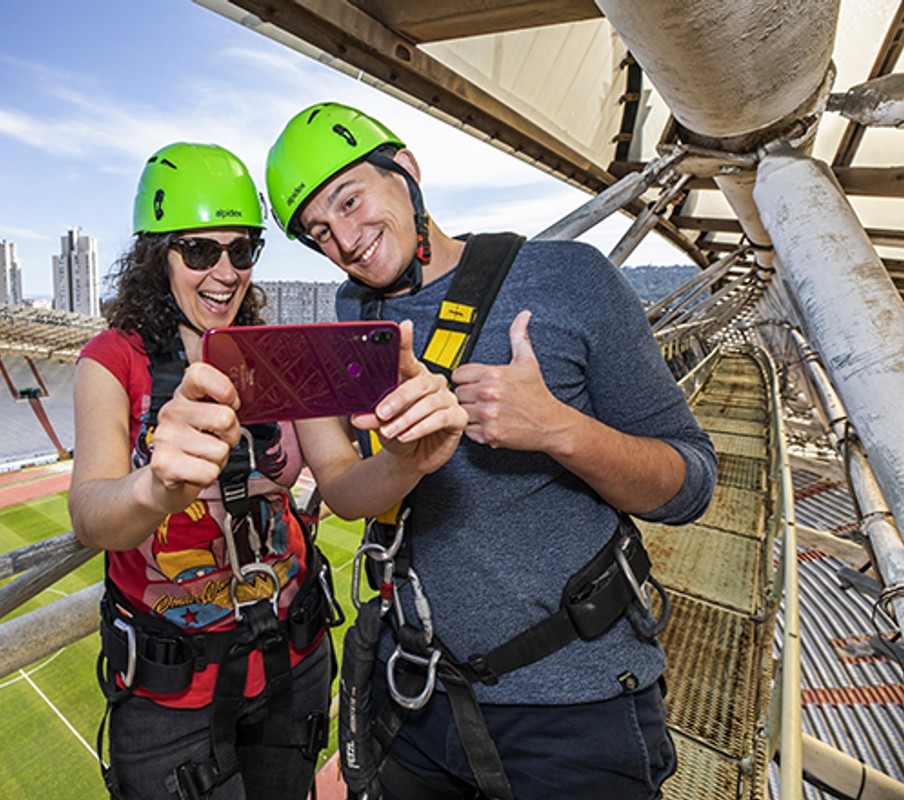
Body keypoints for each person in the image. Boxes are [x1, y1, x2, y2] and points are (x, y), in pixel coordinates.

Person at [264, 102, 718, 800]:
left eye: (350, 201)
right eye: (320, 232)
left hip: (574, 710)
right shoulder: (345, 322)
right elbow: (349, 493)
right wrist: (408, 461)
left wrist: (558, 428)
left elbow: (691, 484)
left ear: (406, 173)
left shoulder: (568, 280)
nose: (346, 240)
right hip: (414, 697)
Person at [68, 141, 467, 800]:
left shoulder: (281, 350)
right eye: (199, 251)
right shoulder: (113, 361)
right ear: (156, 255)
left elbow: (340, 485)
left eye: (242, 250)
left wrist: (407, 463)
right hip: (175, 696)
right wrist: (155, 486)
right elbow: (90, 516)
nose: (224, 272)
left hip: (291, 661)